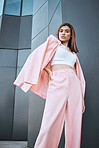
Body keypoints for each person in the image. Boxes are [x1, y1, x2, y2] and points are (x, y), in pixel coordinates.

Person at [13, 23, 86, 148]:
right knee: (50, 121)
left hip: (74, 85)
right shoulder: (53, 45)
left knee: (75, 123)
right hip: (58, 81)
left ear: (71, 35)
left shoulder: (73, 54)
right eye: (61, 31)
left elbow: (78, 75)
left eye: (66, 31)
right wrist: (49, 72)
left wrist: (82, 99)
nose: (63, 33)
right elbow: (37, 58)